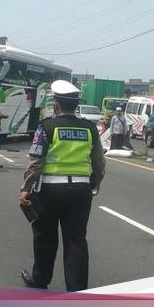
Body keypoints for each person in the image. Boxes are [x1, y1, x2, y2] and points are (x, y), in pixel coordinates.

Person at [19, 80, 106, 292]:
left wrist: (25, 188)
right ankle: (76, 290)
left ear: (56, 105)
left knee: (45, 237)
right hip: (81, 191)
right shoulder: (90, 129)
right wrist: (95, 183)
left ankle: (40, 279)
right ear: (75, 106)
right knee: (76, 241)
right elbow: (99, 163)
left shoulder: (47, 127)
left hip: (50, 191)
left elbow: (36, 161)